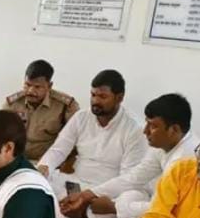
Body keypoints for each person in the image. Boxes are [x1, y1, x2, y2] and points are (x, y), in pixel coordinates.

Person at [60, 94, 197, 218]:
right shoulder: (164, 145)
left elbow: (164, 208)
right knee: (131, 194)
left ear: (174, 130)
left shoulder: (184, 161)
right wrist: (87, 194)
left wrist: (114, 207)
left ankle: (86, 213)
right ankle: (89, 212)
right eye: (147, 123)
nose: (145, 131)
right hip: (154, 201)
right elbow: (134, 177)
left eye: (153, 126)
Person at [38, 69, 146, 199]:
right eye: (93, 95)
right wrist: (45, 166)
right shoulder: (82, 117)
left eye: (102, 97)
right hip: (75, 183)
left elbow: (127, 177)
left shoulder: (134, 128)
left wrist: (90, 195)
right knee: (36, 182)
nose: (95, 101)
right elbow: (59, 150)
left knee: (132, 197)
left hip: (107, 191)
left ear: (119, 98)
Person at [3, 59, 79, 161]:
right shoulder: (12, 104)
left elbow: (75, 139)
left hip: (48, 162)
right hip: (16, 159)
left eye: (37, 87)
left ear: (49, 86)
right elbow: (0, 135)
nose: (31, 91)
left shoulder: (65, 106)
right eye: (27, 85)